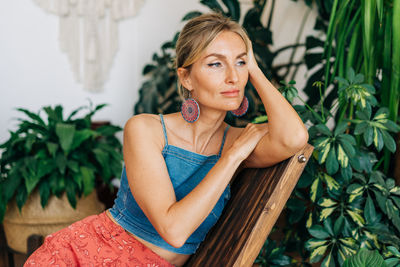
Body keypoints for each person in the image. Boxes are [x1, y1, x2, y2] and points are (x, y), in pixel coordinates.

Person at [25, 12, 308, 267]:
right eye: (215, 64)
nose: (233, 77)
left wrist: (253, 68)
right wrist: (232, 157)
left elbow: (295, 138)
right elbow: (174, 230)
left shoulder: (237, 139)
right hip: (86, 255)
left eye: (240, 63)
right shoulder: (146, 130)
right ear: (186, 78)